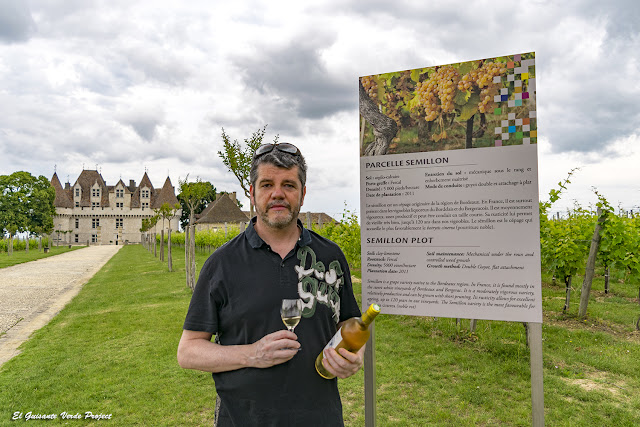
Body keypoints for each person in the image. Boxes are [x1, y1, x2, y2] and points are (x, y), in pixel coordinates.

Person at [177, 142, 364, 426]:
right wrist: (253, 354)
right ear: (252, 194)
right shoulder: (222, 263)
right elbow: (188, 351)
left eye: (289, 184)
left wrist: (353, 355)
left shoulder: (331, 256)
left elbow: (349, 323)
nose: (278, 194)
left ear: (303, 193)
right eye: (266, 184)